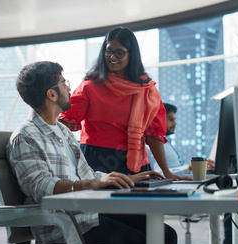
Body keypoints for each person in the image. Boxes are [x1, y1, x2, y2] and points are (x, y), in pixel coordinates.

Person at [7, 61, 177, 244]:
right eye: (64, 83)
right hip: (64, 226)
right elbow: (42, 187)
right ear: (52, 94)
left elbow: (86, 174)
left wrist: (129, 179)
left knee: (166, 234)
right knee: (143, 242)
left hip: (88, 216)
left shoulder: (62, 131)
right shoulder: (26, 136)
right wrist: (94, 183)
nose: (69, 88)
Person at [58, 26, 182, 180]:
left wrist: (167, 172)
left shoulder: (147, 89)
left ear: (132, 55)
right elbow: (67, 121)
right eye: (109, 51)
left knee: (134, 203)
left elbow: (153, 136)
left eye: (120, 52)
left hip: (135, 163)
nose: (112, 57)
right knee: (99, 204)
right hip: (95, 160)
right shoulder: (90, 85)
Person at [147, 102, 215, 176]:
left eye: (174, 119)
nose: (175, 123)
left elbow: (175, 168)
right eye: (170, 119)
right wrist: (189, 167)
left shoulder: (166, 143)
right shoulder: (155, 145)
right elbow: (160, 174)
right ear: (159, 119)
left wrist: (194, 167)